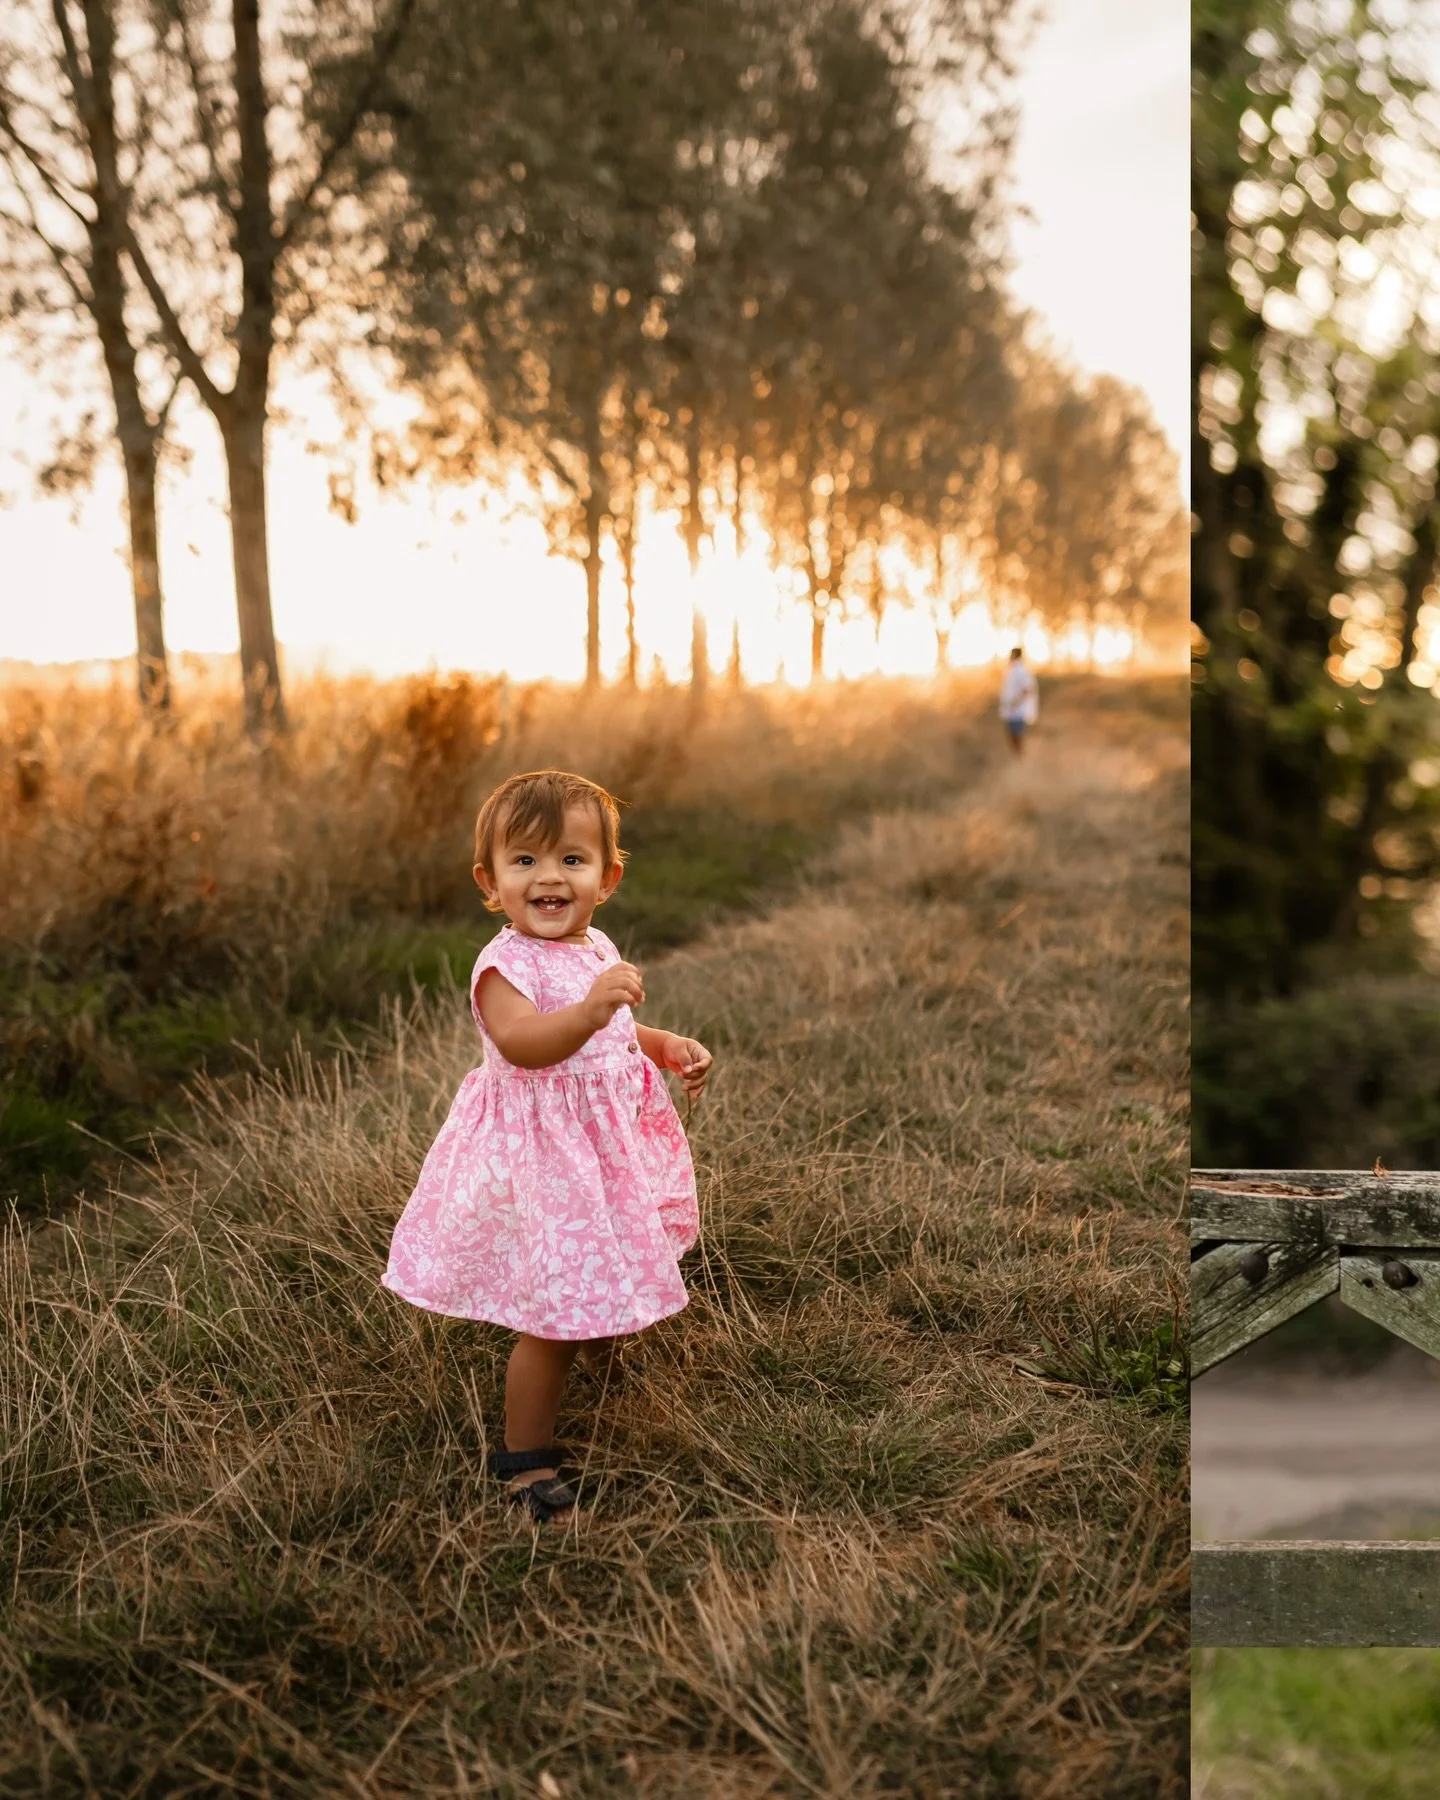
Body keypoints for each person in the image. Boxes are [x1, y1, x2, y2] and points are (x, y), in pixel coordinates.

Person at [382, 769, 712, 1525]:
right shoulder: (504, 966)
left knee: (611, 1259)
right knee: (549, 1319)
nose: (548, 877)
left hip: (599, 1153)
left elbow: (617, 1031)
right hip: (545, 1161)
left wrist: (665, 1047)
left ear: (608, 876)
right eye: (523, 861)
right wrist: (593, 1013)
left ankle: (606, 1338)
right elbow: (526, 1044)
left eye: (570, 858)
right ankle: (524, 1461)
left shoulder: (595, 945)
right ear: (489, 882)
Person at [998, 645, 1039, 755]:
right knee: (1012, 735)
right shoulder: (1011, 670)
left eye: (1011, 655)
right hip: (1012, 709)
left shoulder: (1021, 671)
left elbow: (1027, 690)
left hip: (1018, 710)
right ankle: (1019, 756)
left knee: (1017, 735)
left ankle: (1020, 756)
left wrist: (1016, 702)